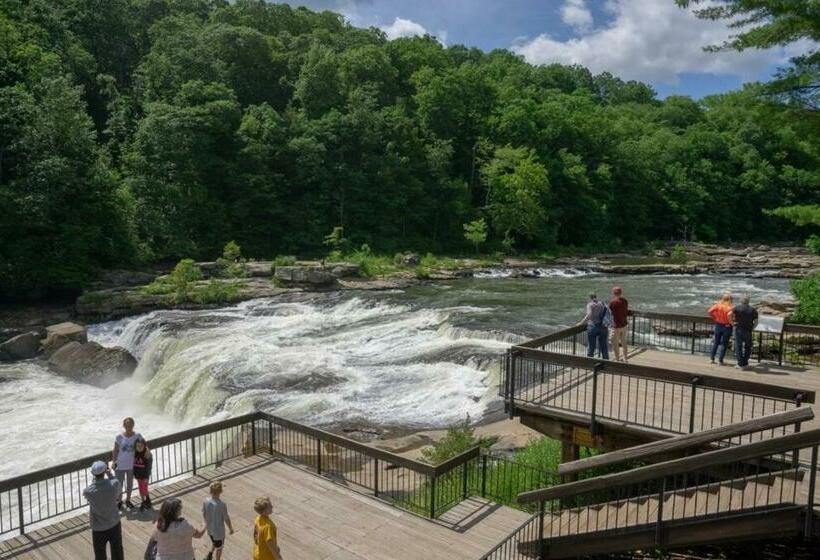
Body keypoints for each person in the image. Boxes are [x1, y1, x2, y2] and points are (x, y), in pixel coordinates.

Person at [83, 460, 124, 560]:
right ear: (105, 471)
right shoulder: (114, 484)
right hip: (114, 523)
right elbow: (118, 491)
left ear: (93, 474)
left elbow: (90, 492)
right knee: (117, 551)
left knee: (100, 554)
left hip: (98, 528)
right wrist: (110, 475)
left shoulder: (88, 491)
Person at [112, 416, 144, 509]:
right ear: (124, 426)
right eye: (126, 425)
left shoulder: (138, 436)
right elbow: (115, 450)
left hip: (132, 465)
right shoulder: (119, 437)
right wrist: (113, 462)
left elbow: (143, 447)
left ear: (133, 425)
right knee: (119, 484)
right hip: (120, 464)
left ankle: (128, 500)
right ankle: (119, 501)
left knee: (130, 484)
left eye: (130, 425)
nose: (128, 427)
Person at [202, 481, 234, 560]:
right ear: (221, 491)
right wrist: (230, 528)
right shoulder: (222, 505)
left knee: (214, 541)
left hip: (210, 529)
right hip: (219, 532)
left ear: (210, 491)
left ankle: (210, 554)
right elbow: (226, 518)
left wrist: (206, 523)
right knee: (219, 547)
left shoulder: (205, 501)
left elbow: (204, 513)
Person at [730, 295, 759, 369]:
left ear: (741, 301)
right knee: (748, 346)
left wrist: (732, 323)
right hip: (748, 330)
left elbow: (729, 314)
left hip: (738, 329)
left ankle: (740, 363)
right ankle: (745, 362)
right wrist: (753, 328)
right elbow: (756, 322)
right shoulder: (753, 310)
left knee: (738, 346)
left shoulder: (737, 308)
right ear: (748, 301)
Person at [579, 293, 609, 360]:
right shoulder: (602, 303)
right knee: (604, 346)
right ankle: (606, 362)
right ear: (596, 297)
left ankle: (590, 362)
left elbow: (589, 314)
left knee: (591, 346)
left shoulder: (590, 305)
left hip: (593, 326)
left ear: (590, 298)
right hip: (603, 326)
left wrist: (581, 323)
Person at [708, 293, 734, 365]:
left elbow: (709, 311)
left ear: (723, 299)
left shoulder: (718, 305)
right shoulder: (731, 307)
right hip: (727, 326)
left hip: (718, 325)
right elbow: (733, 317)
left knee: (716, 342)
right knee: (724, 344)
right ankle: (720, 360)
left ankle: (712, 359)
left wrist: (714, 317)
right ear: (730, 300)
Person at [608, 286, 629, 362]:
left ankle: (617, 360)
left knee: (615, 344)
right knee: (624, 343)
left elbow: (609, 314)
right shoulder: (625, 301)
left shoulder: (612, 302)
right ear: (621, 293)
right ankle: (625, 359)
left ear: (614, 293)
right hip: (624, 325)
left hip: (615, 326)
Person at [133, 437, 153, 511]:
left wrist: (146, 477)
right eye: (137, 446)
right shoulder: (135, 453)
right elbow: (134, 465)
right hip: (138, 475)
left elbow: (149, 467)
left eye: (141, 446)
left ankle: (148, 499)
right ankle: (143, 501)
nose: (139, 447)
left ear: (144, 445)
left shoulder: (147, 454)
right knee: (140, 489)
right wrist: (134, 474)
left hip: (145, 476)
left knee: (144, 489)